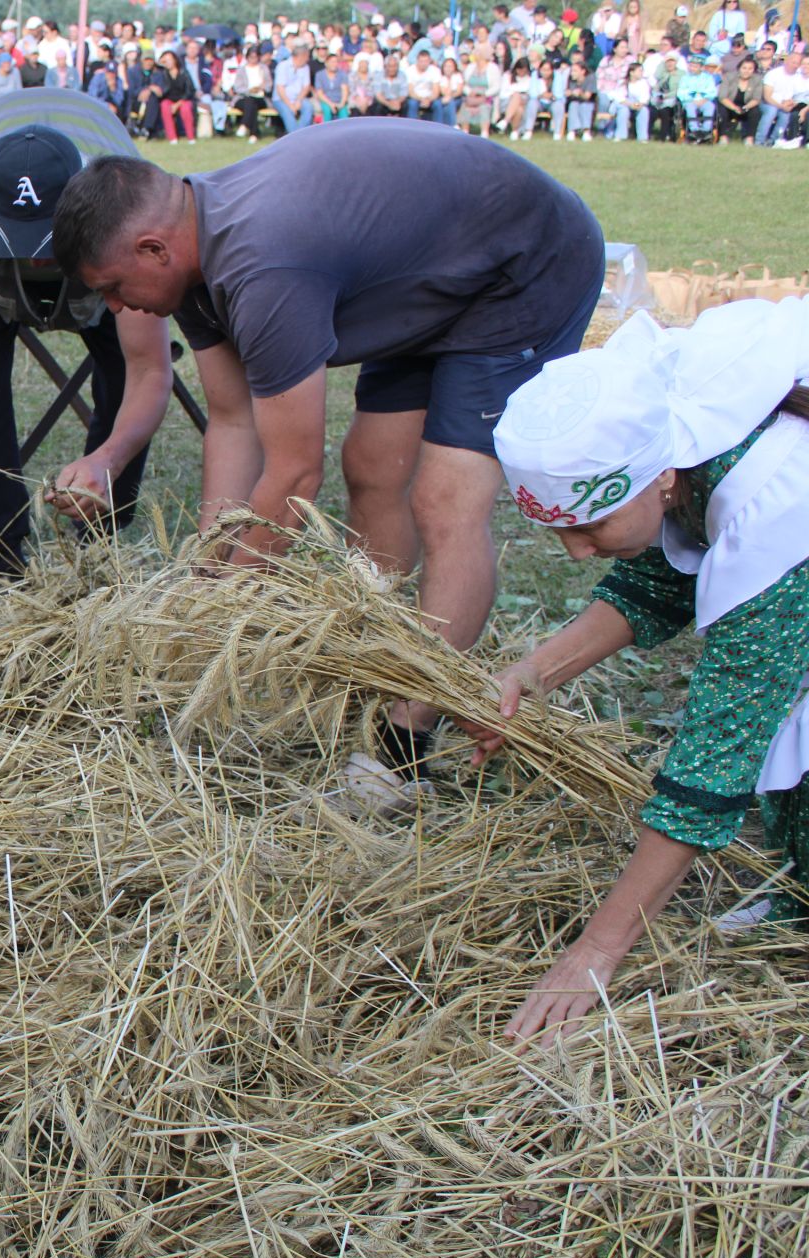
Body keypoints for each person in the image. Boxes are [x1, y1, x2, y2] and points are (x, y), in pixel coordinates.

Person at [51, 122, 605, 803]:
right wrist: (209, 567)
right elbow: (231, 421)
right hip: (433, 273)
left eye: (111, 286)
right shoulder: (190, 270)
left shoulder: (261, 267)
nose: (113, 307)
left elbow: (293, 475)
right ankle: (375, 665)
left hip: (523, 266)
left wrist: (230, 598)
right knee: (372, 468)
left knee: (444, 498)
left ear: (153, 248)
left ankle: (402, 745)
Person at [465, 299, 809, 1048]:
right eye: (560, 531)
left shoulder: (775, 501)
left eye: (588, 526)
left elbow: (718, 753)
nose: (577, 554)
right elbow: (659, 579)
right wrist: (534, 673)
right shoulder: (675, 432)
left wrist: (596, 951)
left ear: (655, 480)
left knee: (785, 703)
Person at [0, 91, 175, 578]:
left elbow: (150, 370)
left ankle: (98, 548)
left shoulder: (125, 211)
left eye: (47, 245)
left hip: (100, 248)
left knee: (120, 376)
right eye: (22, 240)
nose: (37, 261)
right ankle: (5, 553)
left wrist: (108, 459)